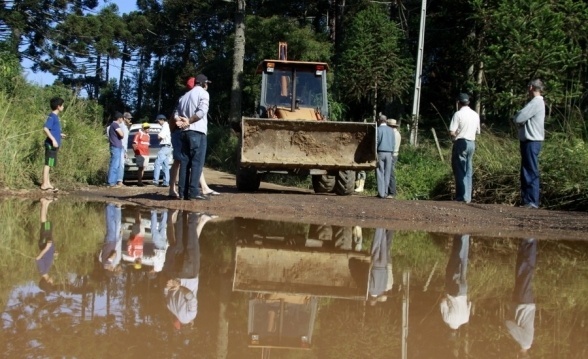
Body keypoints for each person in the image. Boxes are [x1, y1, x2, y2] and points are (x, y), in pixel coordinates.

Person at [164, 212, 214, 329]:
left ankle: (193, 215)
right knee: (181, 242)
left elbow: (190, 296)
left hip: (189, 275)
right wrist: (170, 284)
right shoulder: (169, 307)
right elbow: (166, 289)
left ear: (189, 325)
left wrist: (179, 287)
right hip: (175, 273)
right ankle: (182, 213)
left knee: (192, 245)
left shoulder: (189, 316)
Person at [175, 73, 211, 200]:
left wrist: (180, 121)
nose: (207, 86)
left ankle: (182, 192)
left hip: (184, 132)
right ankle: (194, 192)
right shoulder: (203, 94)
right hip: (197, 131)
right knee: (197, 162)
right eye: (206, 83)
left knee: (185, 162)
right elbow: (201, 113)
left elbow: (176, 113)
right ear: (203, 83)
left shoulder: (184, 96)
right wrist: (189, 121)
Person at [513, 79, 545, 209]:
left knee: (530, 171)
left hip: (532, 141)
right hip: (531, 140)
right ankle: (528, 200)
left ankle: (531, 201)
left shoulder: (535, 102)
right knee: (527, 170)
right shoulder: (537, 103)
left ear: (531, 87)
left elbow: (519, 118)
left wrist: (517, 118)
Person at [506, 238, 537, 357]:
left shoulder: (527, 342)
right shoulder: (523, 342)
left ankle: (525, 243)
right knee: (526, 273)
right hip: (523, 304)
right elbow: (509, 324)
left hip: (524, 304)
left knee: (521, 273)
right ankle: (530, 242)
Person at [449, 93, 480, 203]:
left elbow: (452, 131)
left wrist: (454, 138)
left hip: (461, 141)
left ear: (458, 102)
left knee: (460, 169)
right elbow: (478, 131)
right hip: (472, 142)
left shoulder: (458, 114)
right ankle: (468, 197)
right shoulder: (475, 114)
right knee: (468, 169)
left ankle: (461, 196)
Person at [440, 234, 471, 330]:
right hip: (453, 291)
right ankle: (459, 237)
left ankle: (465, 238)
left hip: (463, 291)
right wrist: (446, 295)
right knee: (453, 264)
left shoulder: (465, 319)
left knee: (463, 262)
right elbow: (442, 302)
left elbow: (469, 303)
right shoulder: (447, 320)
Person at [40, 97, 66, 192]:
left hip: (54, 145)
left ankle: (48, 183)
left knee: (50, 164)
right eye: (62, 105)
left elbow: (53, 130)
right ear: (58, 107)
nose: (63, 107)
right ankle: (44, 184)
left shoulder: (55, 117)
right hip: (50, 144)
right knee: (48, 164)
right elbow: (45, 128)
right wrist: (53, 140)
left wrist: (59, 134)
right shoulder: (52, 116)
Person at [368, 228, 393, 306]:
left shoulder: (382, 290)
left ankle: (384, 227)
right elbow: (370, 277)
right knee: (376, 246)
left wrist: (386, 268)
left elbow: (385, 278)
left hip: (383, 267)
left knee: (383, 245)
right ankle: (379, 228)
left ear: (376, 299)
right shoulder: (370, 290)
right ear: (370, 298)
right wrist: (370, 266)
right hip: (375, 267)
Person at [36, 197, 57, 292]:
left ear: (48, 282)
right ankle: (47, 203)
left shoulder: (42, 271)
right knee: (47, 225)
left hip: (45, 244)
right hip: (48, 244)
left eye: (52, 283)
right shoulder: (46, 271)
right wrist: (54, 253)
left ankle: (43, 203)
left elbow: (38, 259)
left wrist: (47, 248)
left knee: (44, 224)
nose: (53, 281)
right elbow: (47, 258)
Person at [99, 202, 123, 274]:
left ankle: (110, 206)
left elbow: (114, 254)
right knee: (115, 225)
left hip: (111, 242)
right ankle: (115, 207)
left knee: (112, 224)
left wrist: (112, 260)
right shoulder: (102, 261)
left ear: (111, 270)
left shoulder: (107, 264)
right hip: (109, 242)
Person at [376, 114, 395, 199]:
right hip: (389, 153)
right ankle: (386, 192)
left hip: (380, 152)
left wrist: (375, 152)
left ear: (379, 120)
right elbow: (393, 143)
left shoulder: (378, 130)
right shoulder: (391, 130)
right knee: (387, 173)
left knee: (380, 172)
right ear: (386, 121)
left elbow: (376, 142)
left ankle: (381, 193)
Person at [153, 114, 172, 187]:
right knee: (165, 165)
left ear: (161, 120)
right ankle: (166, 182)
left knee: (157, 162)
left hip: (165, 147)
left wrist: (159, 137)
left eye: (158, 121)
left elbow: (159, 136)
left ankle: (155, 180)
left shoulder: (165, 126)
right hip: (168, 147)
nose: (158, 123)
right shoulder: (167, 126)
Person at [107, 112, 125, 188]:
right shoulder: (115, 125)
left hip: (116, 146)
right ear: (120, 118)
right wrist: (122, 134)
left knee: (116, 164)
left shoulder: (112, 125)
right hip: (115, 146)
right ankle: (111, 182)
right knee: (115, 164)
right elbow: (121, 134)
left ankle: (113, 182)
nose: (122, 120)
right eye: (122, 118)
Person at [116, 112, 133, 186]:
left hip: (123, 148)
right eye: (128, 118)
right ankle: (119, 181)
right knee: (120, 164)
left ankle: (119, 180)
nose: (130, 120)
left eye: (130, 119)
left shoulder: (125, 126)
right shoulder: (121, 125)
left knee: (121, 164)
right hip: (121, 146)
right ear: (124, 118)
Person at [132, 122, 151, 187]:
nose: (147, 129)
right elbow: (134, 144)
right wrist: (136, 152)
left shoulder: (148, 135)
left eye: (148, 127)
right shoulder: (138, 134)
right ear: (143, 128)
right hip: (140, 153)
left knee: (143, 167)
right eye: (146, 128)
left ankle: (140, 181)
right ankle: (139, 181)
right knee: (140, 167)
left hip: (146, 153)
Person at [387, 119, 401, 198]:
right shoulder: (397, 133)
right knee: (390, 173)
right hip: (394, 154)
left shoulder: (394, 134)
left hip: (392, 155)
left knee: (391, 173)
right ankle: (390, 191)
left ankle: (392, 192)